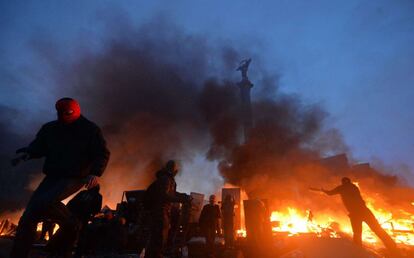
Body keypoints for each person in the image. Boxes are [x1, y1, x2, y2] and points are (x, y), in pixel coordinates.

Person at [10, 97, 110, 258]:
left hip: (75, 177)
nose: (65, 116)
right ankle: (18, 254)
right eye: (62, 113)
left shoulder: (90, 130)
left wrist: (94, 173)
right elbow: (39, 146)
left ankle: (72, 224)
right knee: (29, 216)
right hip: (52, 176)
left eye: (69, 113)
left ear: (76, 111)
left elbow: (102, 153)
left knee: (43, 203)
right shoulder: (50, 129)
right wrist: (27, 154)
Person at [322, 177, 398, 253]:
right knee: (377, 229)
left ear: (343, 183)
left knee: (357, 233)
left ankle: (358, 252)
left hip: (355, 214)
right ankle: (392, 247)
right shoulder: (354, 187)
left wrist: (323, 190)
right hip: (365, 212)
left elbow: (330, 193)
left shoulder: (342, 188)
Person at [144, 160, 191, 258]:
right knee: (159, 239)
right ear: (173, 170)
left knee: (158, 238)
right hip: (160, 212)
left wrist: (183, 196)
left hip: (161, 212)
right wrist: (182, 200)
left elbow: (171, 193)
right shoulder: (166, 179)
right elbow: (164, 196)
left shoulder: (166, 179)